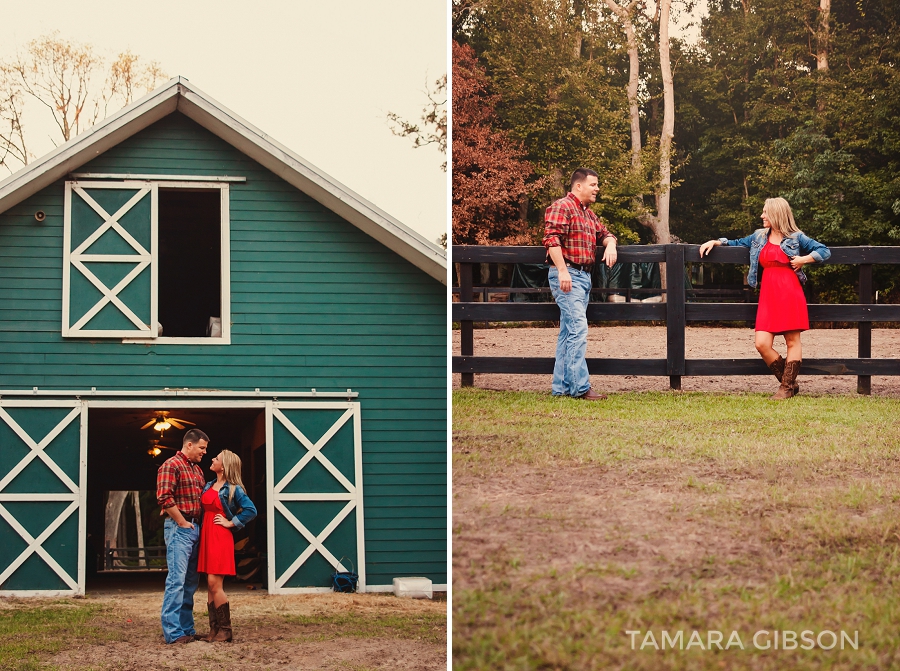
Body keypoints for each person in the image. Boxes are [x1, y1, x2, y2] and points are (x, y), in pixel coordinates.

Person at [699, 197, 831, 399]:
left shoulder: (796, 237)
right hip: (768, 294)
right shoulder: (759, 236)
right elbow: (736, 242)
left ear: (777, 214)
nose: (762, 216)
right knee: (761, 343)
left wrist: (804, 259)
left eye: (765, 212)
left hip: (790, 291)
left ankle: (786, 388)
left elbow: (824, 250)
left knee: (792, 341)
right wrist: (716, 241)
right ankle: (791, 384)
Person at [543, 167, 618, 399]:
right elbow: (551, 239)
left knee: (568, 332)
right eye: (593, 184)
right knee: (578, 329)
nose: (597, 189)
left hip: (583, 277)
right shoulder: (562, 206)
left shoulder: (587, 213)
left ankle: (562, 387)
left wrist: (611, 244)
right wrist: (563, 271)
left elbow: (605, 233)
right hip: (568, 275)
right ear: (579, 186)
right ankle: (580, 388)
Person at [198, 449, 257, 643]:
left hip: (220, 536)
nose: (212, 459)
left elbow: (251, 510)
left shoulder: (233, 489)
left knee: (216, 584)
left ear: (223, 466)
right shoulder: (209, 485)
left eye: (216, 458)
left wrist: (231, 523)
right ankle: (214, 630)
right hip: (207, 535)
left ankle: (226, 629)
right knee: (210, 584)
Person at [156, 428, 209, 644]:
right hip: (180, 528)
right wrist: (181, 522)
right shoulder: (171, 465)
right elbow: (164, 497)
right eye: (202, 448)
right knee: (176, 581)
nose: (204, 452)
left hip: (195, 528)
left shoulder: (197, 471)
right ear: (189, 445)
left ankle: (187, 629)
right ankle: (173, 633)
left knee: (190, 583)